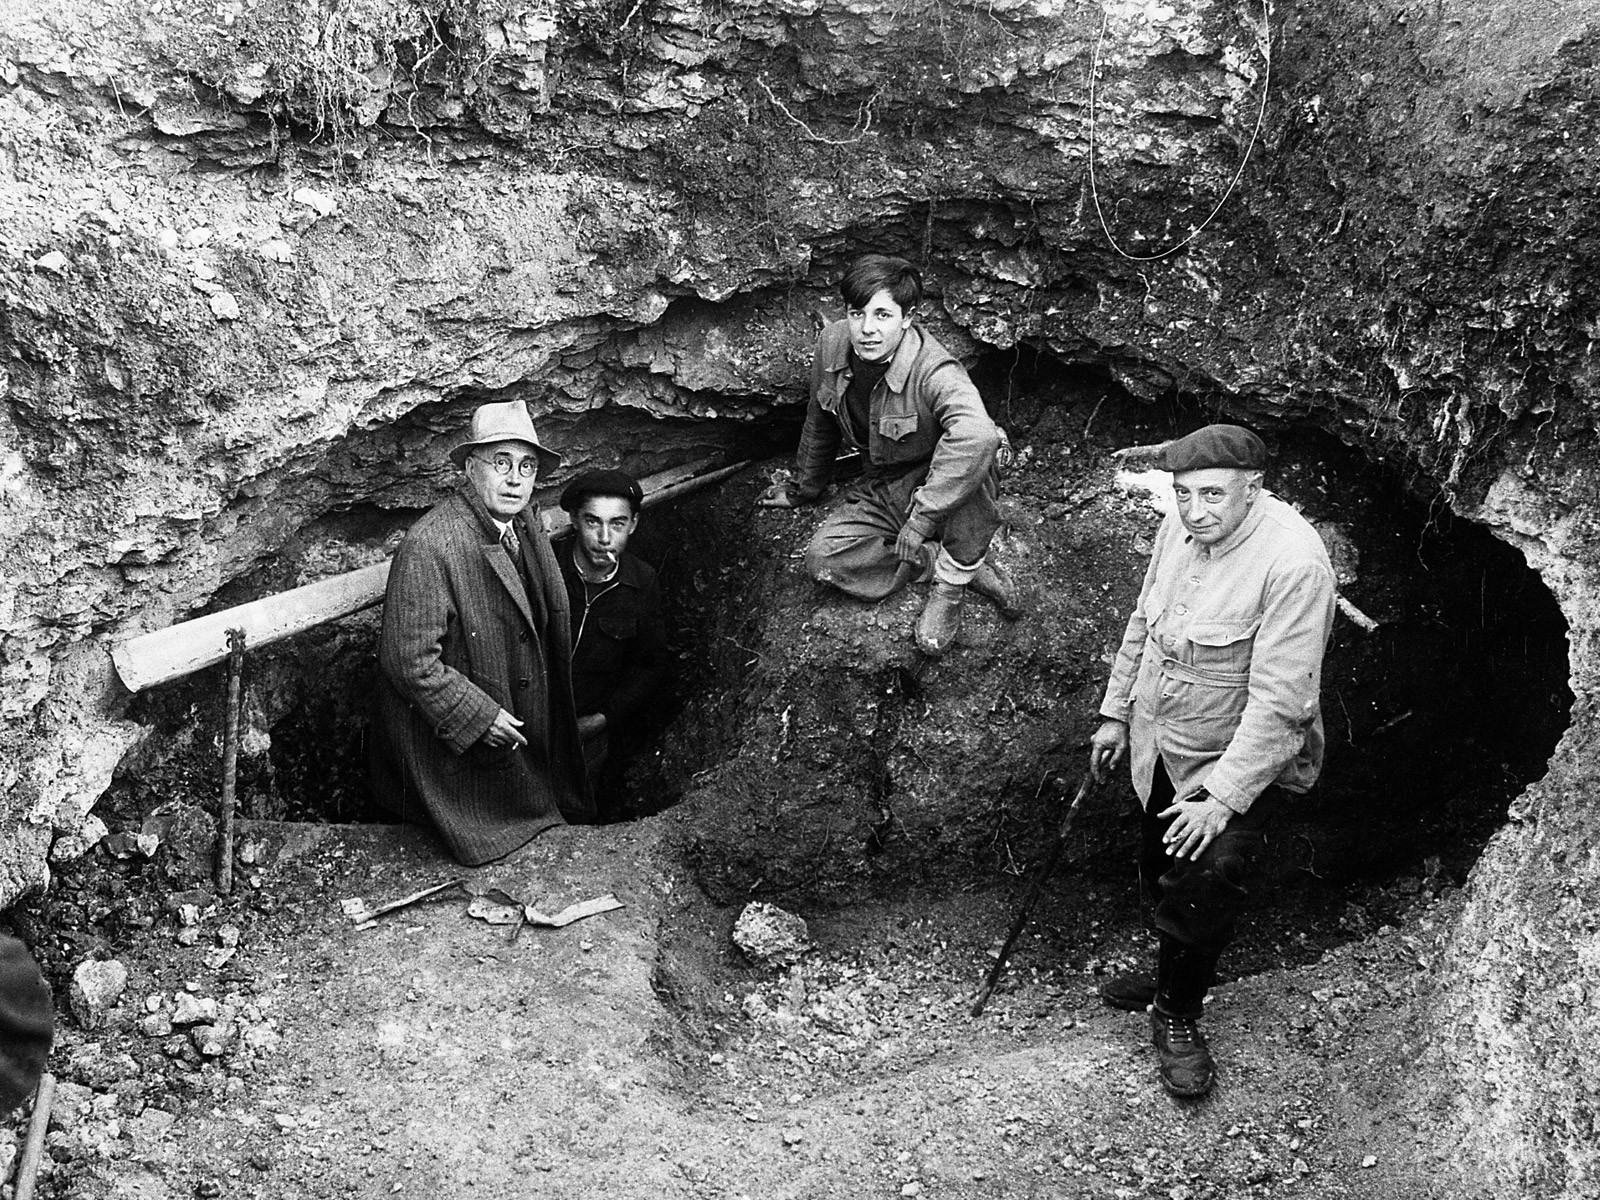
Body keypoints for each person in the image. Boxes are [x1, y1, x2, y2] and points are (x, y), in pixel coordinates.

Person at [1089, 424, 1336, 1099]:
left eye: (1212, 495)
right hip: (1163, 735)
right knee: (1157, 861)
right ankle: (1175, 963)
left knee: (1208, 878)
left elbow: (1284, 703)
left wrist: (1222, 799)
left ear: (1252, 490)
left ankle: (1178, 1013)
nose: (1195, 510)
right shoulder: (1182, 526)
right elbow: (1146, 619)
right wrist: (1115, 712)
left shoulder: (1294, 564)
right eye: (1183, 494)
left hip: (1237, 757)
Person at [757, 253, 1018, 655]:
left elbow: (979, 436)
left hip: (944, 486)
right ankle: (934, 562)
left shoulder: (935, 371)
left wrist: (922, 519)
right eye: (857, 313)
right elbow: (819, 419)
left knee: (973, 469)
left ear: (907, 317)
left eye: (882, 315)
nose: (866, 329)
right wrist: (803, 488)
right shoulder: (833, 344)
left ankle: (952, 584)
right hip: (887, 483)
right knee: (823, 559)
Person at [369, 400, 592, 864]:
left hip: (520, 719)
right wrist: (478, 716)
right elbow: (409, 660)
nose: (515, 479)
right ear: (471, 468)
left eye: (527, 466)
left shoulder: (522, 522)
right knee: (498, 838)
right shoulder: (431, 545)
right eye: (501, 463)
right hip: (455, 754)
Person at [554, 469, 671, 814]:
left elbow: (651, 666)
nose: (605, 537)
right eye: (593, 522)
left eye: (617, 524)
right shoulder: (545, 569)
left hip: (589, 733)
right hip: (530, 726)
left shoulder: (642, 582)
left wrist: (603, 719)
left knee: (576, 814)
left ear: (633, 524)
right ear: (574, 520)